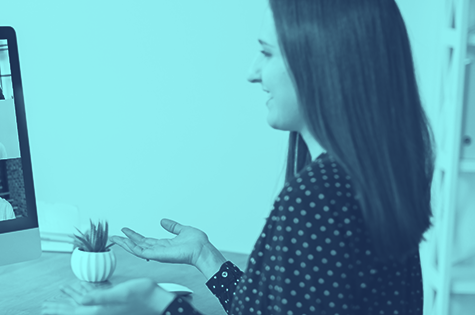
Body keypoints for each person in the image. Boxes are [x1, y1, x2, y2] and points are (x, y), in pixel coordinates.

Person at [43, 0, 435, 314]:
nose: (252, 72)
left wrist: (158, 305)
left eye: (266, 53)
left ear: (320, 65)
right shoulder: (369, 182)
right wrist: (205, 256)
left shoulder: (320, 199)